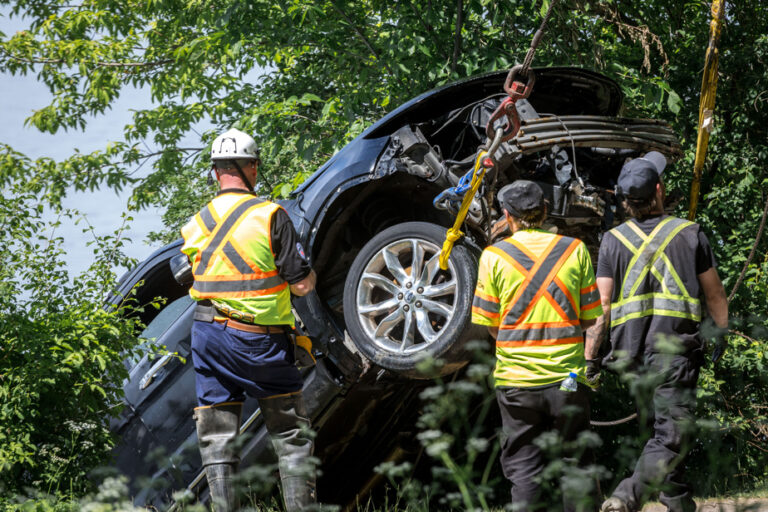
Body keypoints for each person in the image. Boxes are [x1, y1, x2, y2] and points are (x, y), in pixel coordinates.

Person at [179, 128, 318, 512]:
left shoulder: (195, 224)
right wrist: (310, 275)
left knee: (217, 439)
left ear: (215, 172)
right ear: (252, 168)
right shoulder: (270, 216)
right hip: (260, 342)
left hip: (207, 335)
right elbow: (303, 286)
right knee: (290, 434)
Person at [588, 152, 729, 512]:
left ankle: (678, 500)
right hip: (673, 353)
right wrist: (720, 332)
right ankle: (627, 495)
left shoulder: (611, 240)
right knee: (672, 434)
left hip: (630, 356)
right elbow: (714, 294)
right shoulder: (689, 233)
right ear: (660, 190)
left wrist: (590, 357)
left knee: (662, 428)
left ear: (624, 201)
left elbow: (602, 305)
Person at [472, 180, 604, 512]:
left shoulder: (493, 257)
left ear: (507, 215)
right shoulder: (574, 250)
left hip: (516, 382)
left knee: (524, 468)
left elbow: (489, 322)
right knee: (576, 461)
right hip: (568, 380)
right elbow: (590, 320)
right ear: (545, 210)